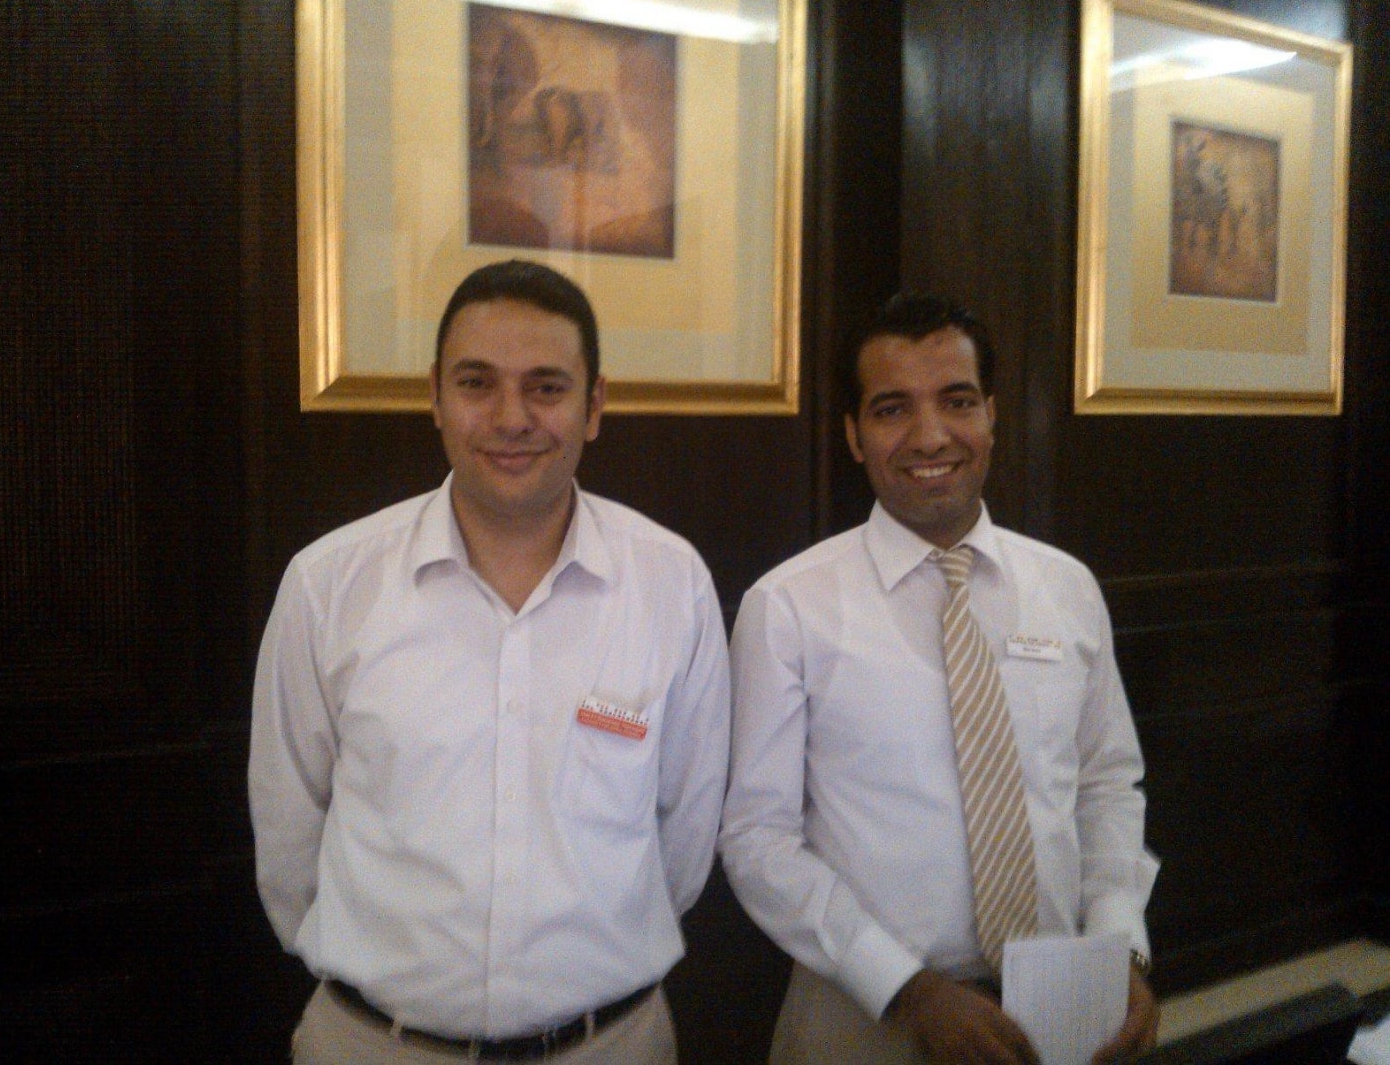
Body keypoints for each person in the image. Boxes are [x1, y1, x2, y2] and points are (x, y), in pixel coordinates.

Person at [250, 259, 731, 1064]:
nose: (511, 418)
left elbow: (685, 830)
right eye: (477, 383)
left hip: (610, 1046)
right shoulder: (329, 584)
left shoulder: (671, 583)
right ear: (435, 396)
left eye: (546, 387)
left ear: (594, 406)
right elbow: (287, 825)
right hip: (375, 1046)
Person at [718, 292, 1159, 1064]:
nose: (929, 436)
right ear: (853, 435)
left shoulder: (1065, 587)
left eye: (956, 401)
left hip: (1059, 1004)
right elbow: (757, 840)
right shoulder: (787, 606)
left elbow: (1104, 784)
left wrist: (1119, 944)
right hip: (863, 1014)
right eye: (892, 409)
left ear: (990, 415)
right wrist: (907, 989)